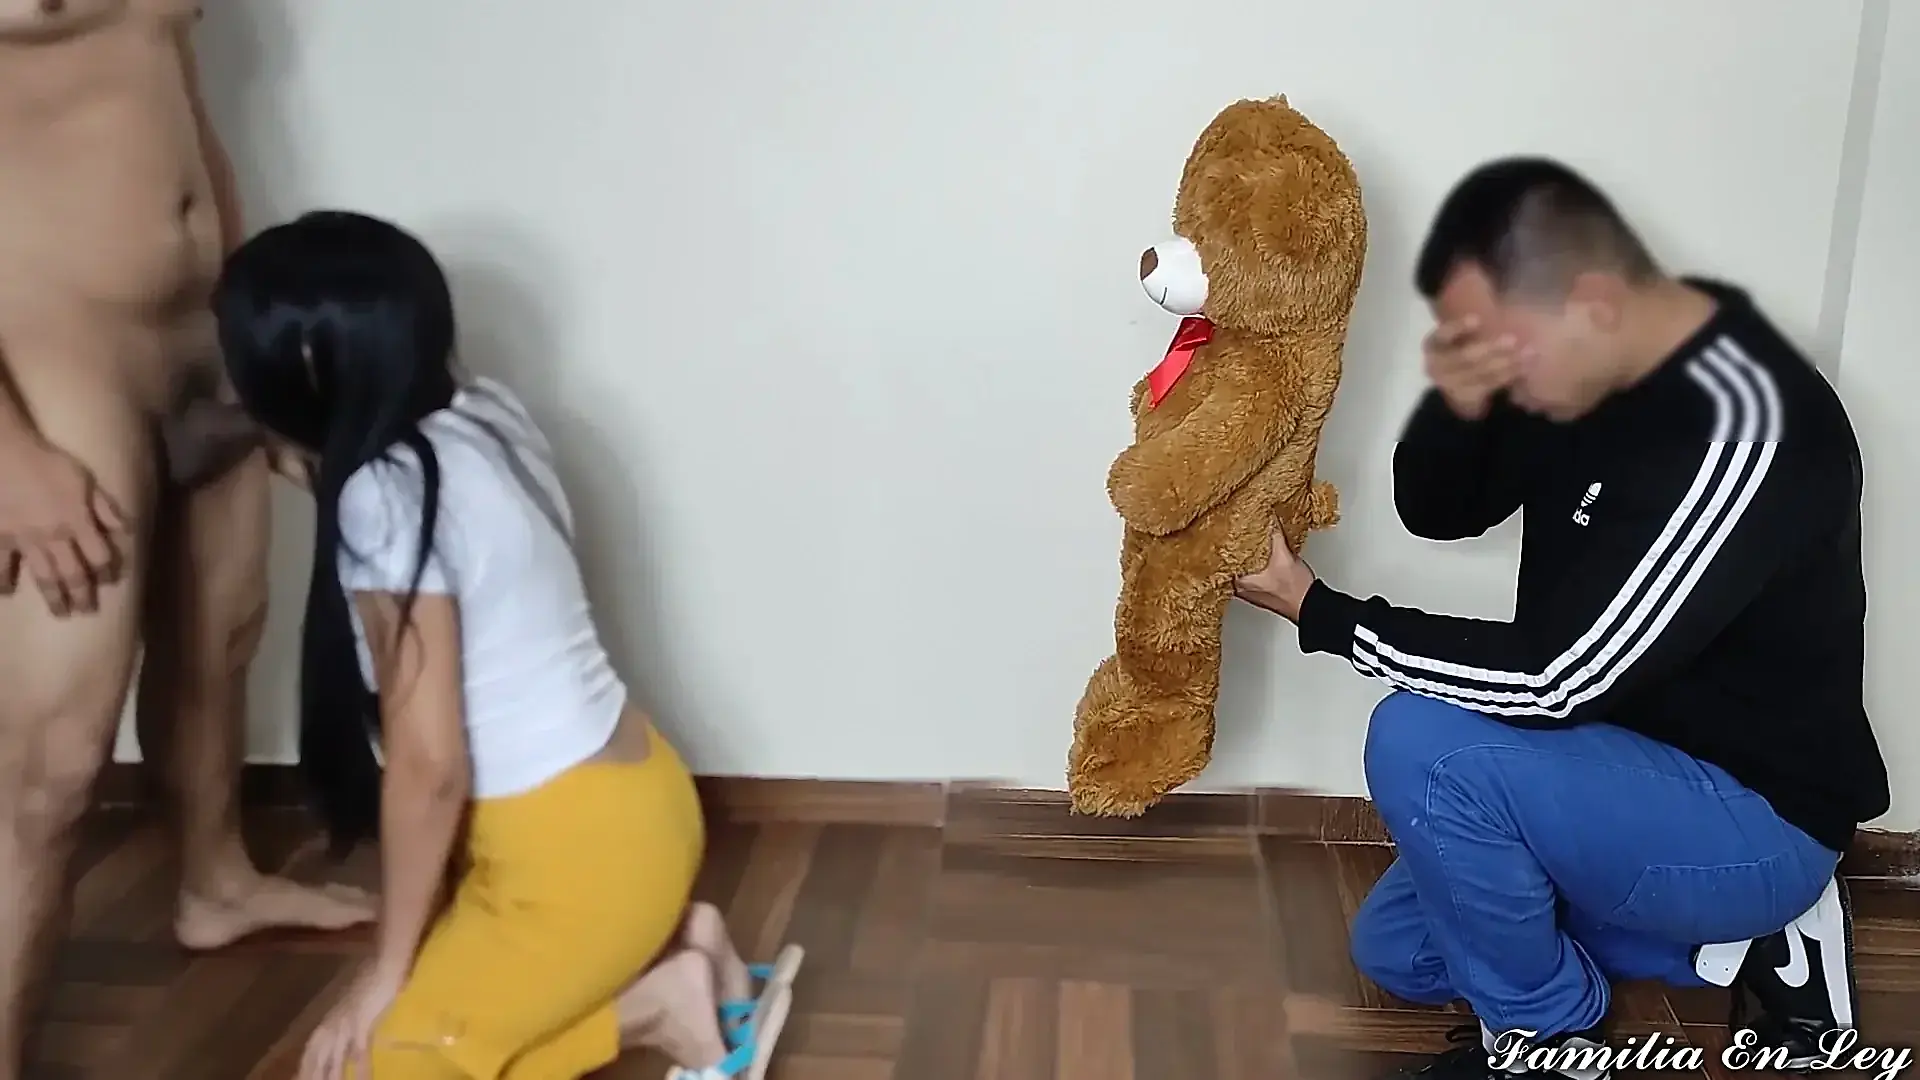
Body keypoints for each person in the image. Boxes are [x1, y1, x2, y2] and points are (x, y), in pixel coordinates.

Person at [1232, 157, 1889, 1079]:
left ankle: (1547, 1038)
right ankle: (1733, 947)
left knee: (1423, 746)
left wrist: (1320, 612)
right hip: (1610, 765)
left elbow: (1556, 677)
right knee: (1398, 953)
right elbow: (1437, 509)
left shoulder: (1745, 421)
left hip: (1751, 810)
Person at [211, 210, 800, 1080]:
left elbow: (430, 770)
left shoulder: (385, 498)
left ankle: (659, 1006)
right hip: (641, 806)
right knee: (436, 1018)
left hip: (574, 860)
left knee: (383, 1067)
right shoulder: (481, 414)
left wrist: (383, 972)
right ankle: (688, 946)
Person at [0, 5, 377, 1074]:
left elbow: (174, 81)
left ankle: (216, 882)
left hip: (200, 331)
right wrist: (7, 453)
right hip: (51, 345)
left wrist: (252, 321)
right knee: (54, 762)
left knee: (222, 633)